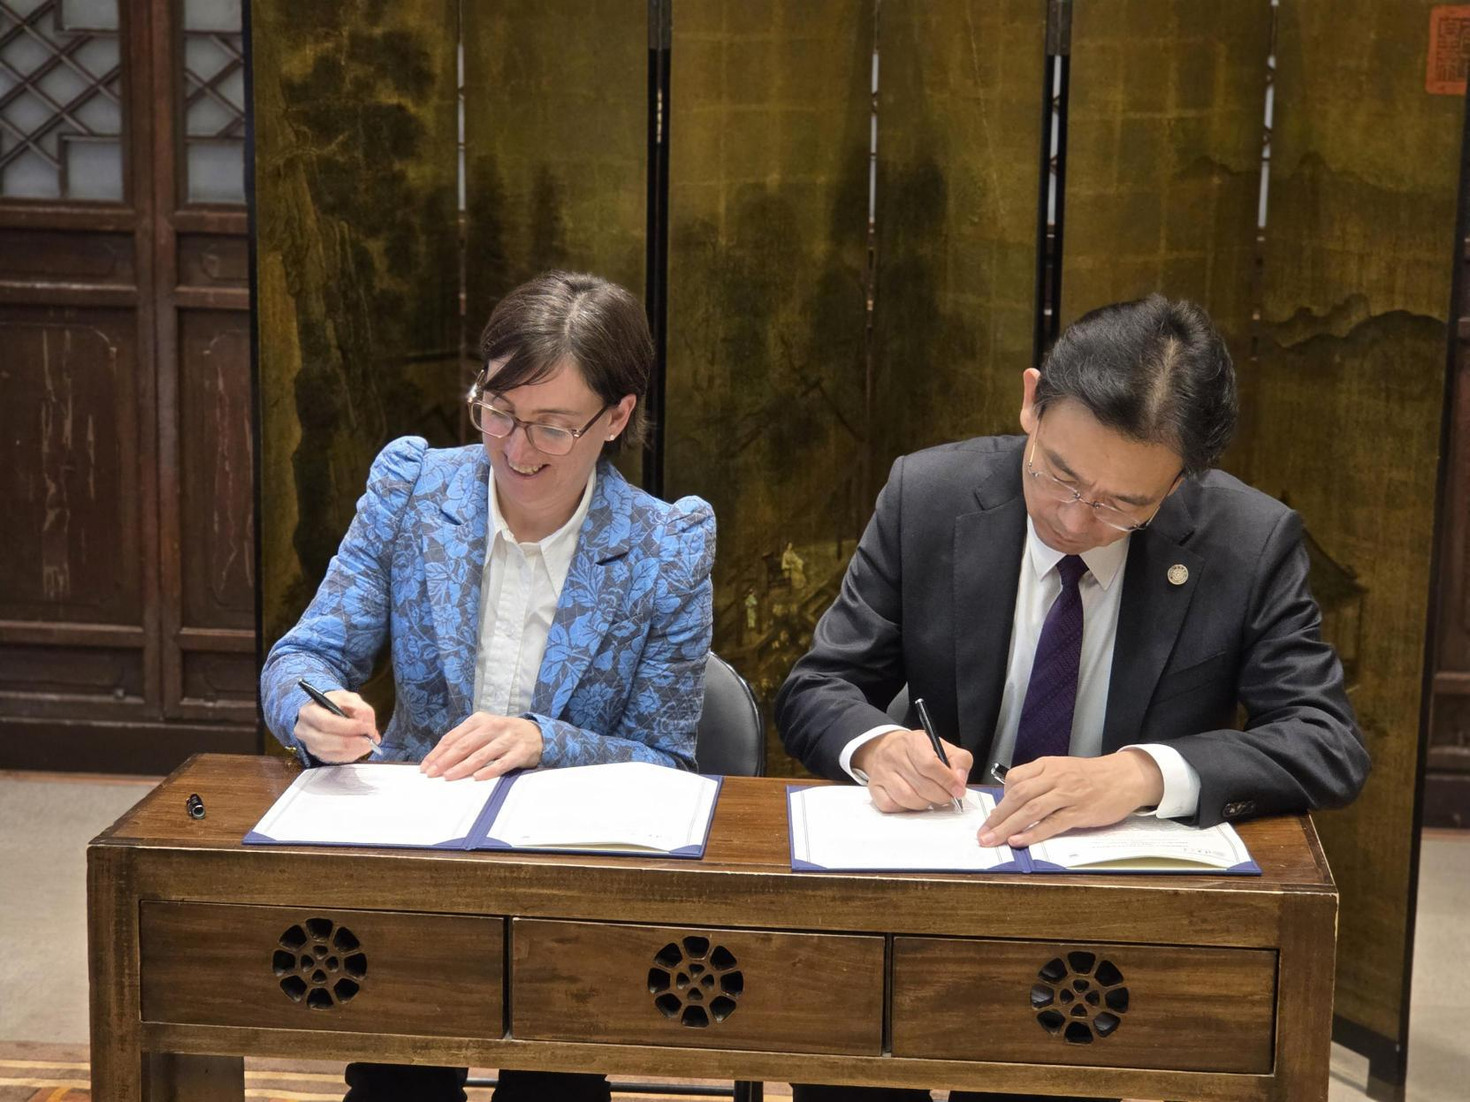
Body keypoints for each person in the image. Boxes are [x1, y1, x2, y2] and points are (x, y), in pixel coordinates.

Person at [775, 294, 1370, 1102]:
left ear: (1181, 479)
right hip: (928, 888)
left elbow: (1326, 738)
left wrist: (1144, 774)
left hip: (1105, 931)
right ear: (1031, 400)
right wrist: (878, 747)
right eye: (1059, 472)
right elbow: (819, 684)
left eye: (1124, 504)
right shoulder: (930, 494)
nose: (1075, 516)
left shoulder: (1246, 543)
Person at [260, 271, 715, 1102]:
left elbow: (669, 763)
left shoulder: (666, 547)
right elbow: (304, 653)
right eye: (498, 410)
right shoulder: (411, 490)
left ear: (617, 417)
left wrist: (547, 740)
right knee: (396, 1083)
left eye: (552, 426)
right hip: (412, 871)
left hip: (568, 893)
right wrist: (310, 710)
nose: (516, 448)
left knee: (555, 1086)